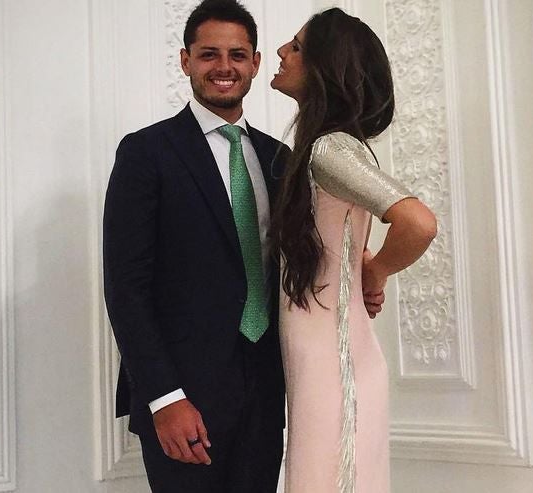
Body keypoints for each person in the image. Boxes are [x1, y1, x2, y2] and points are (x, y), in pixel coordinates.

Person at [102, 1, 288, 491]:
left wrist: (367, 273)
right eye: (209, 54)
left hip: (265, 394)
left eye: (237, 55)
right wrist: (164, 398)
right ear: (185, 60)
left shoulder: (279, 158)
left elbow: (303, 256)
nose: (224, 66)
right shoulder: (146, 152)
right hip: (183, 400)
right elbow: (126, 287)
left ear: (255, 63)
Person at [270, 8, 438, 492]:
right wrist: (363, 263)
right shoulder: (327, 149)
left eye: (296, 46)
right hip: (323, 356)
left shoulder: (330, 150)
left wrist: (378, 270)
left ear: (324, 67)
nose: (281, 52)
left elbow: (419, 223)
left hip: (334, 362)